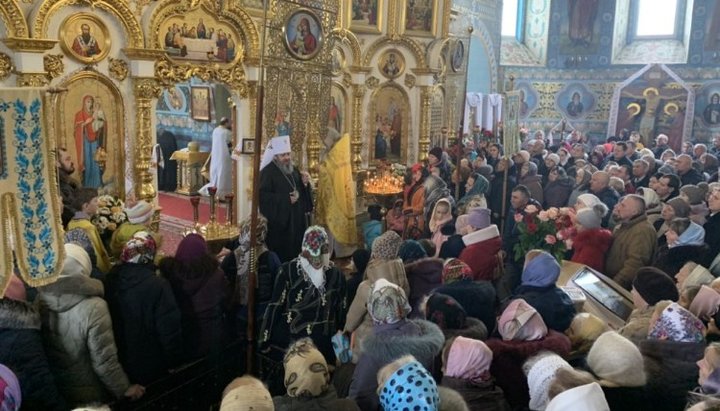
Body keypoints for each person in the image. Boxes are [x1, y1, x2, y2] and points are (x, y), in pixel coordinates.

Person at [38, 244, 144, 407]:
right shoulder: (94, 307)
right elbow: (105, 362)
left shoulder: (40, 299)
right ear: (83, 271)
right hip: (91, 392)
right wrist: (125, 389)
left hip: (60, 390)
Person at [259, 226, 346, 366]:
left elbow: (275, 307)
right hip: (325, 345)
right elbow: (342, 312)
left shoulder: (288, 271)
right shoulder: (337, 274)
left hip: (295, 343)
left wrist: (263, 340)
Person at [104, 232, 184, 385]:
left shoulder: (110, 278)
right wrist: (174, 361)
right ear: (149, 255)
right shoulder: (158, 285)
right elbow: (169, 329)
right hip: (151, 361)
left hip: (120, 357)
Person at [159, 234, 230, 360]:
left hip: (185, 337)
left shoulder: (170, 277)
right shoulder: (217, 275)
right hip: (213, 337)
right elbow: (226, 302)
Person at [258, 135, 313, 262]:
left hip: (297, 222)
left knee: (297, 256)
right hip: (280, 227)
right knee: (283, 257)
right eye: (283, 155)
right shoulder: (267, 173)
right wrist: (285, 199)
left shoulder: (293, 170)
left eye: (288, 154)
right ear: (275, 156)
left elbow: (301, 192)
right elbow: (263, 198)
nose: (287, 158)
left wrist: (305, 184)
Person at [605, 194, 657, 289]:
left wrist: (614, 284)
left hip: (621, 286)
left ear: (634, 211)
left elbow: (635, 263)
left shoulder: (642, 231)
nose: (617, 207)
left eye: (623, 205)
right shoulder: (624, 225)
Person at [74, 95, 104, 188]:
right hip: (85, 141)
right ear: (84, 103)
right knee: (87, 161)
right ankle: (87, 184)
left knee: (95, 160)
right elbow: (76, 129)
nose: (89, 104)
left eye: (91, 102)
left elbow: (101, 124)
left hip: (94, 140)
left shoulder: (94, 113)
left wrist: (98, 121)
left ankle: (97, 183)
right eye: (87, 102)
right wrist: (86, 122)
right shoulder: (79, 114)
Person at [199, 118, 233, 198]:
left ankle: (214, 189)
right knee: (224, 172)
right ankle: (222, 192)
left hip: (216, 155)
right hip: (224, 156)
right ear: (226, 123)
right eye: (229, 123)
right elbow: (231, 142)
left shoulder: (215, 130)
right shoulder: (227, 132)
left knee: (216, 172)